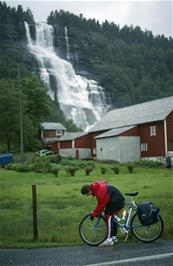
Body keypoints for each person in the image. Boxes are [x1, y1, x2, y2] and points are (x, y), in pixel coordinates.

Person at [81, 180, 125, 246]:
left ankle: (109, 240)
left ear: (89, 191)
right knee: (112, 218)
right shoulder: (95, 186)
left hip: (115, 200)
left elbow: (101, 205)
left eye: (87, 194)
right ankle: (113, 237)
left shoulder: (99, 192)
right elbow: (104, 182)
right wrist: (96, 212)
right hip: (115, 198)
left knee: (108, 217)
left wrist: (94, 214)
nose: (88, 195)